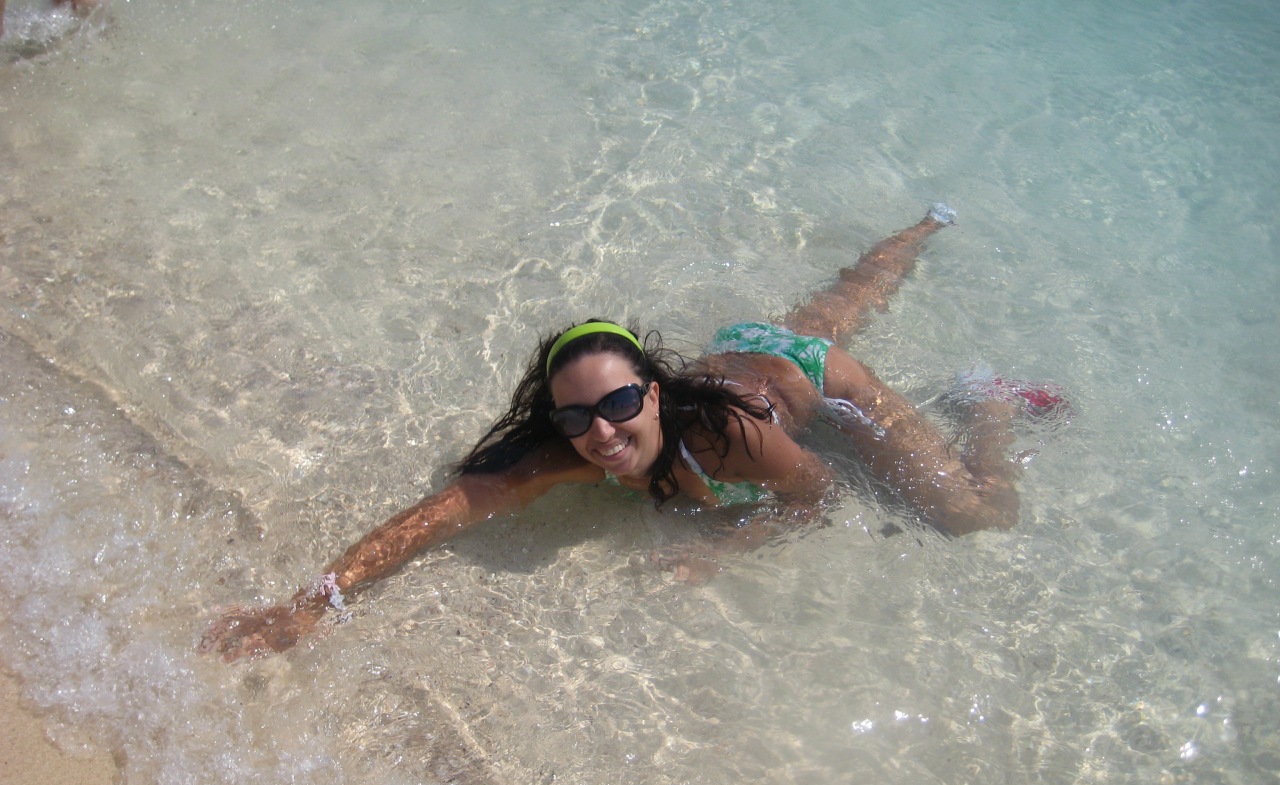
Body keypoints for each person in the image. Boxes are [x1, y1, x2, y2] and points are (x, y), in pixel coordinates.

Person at [202, 204, 1065, 662]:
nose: (601, 432)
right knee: (843, 300)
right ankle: (925, 226)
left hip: (810, 383)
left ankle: (986, 401)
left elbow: (819, 490)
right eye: (576, 416)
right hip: (746, 357)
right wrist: (311, 603)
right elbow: (440, 514)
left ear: (652, 393)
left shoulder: (726, 439)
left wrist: (727, 547)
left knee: (971, 515)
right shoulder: (572, 450)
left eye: (618, 404)